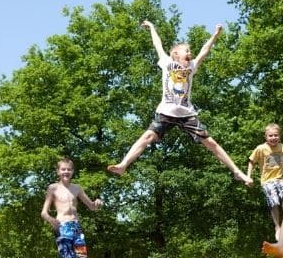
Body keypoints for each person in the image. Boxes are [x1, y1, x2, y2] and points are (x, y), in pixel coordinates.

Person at [107, 20, 253, 185]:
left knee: (210, 142)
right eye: (186, 50)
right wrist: (153, 28)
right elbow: (158, 45)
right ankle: (123, 165)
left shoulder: (192, 66)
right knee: (147, 136)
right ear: (175, 54)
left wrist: (215, 35)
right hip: (166, 112)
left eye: (190, 51)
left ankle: (237, 171)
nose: (189, 53)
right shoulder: (167, 63)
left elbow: (205, 51)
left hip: (186, 114)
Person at [40, 157, 104, 258]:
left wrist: (98, 202)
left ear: (73, 171)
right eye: (63, 169)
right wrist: (50, 219)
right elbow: (44, 212)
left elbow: (92, 206)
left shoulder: (77, 188)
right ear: (58, 171)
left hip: (76, 227)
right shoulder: (53, 188)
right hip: (62, 228)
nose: (66, 172)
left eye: (69, 169)